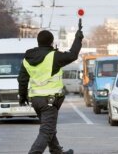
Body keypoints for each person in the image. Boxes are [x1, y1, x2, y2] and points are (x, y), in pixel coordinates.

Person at [18, 26, 83, 154]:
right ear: (51, 42)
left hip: (35, 100)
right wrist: (78, 38)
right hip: (49, 101)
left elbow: (22, 79)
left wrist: (22, 96)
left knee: (48, 128)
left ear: (38, 41)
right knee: (46, 131)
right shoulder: (54, 56)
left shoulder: (27, 59)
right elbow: (73, 55)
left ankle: (56, 151)